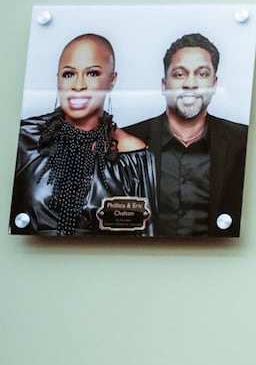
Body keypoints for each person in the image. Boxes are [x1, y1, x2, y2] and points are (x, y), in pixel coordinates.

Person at [11, 32, 154, 236]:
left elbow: (146, 237)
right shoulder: (25, 138)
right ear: (58, 78)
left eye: (92, 73)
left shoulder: (132, 155)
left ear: (112, 80)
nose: (78, 86)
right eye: (69, 74)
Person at [124, 32, 249, 237]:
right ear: (164, 85)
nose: (190, 84)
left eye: (202, 74)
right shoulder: (127, 141)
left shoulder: (243, 141)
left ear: (215, 84)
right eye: (180, 74)